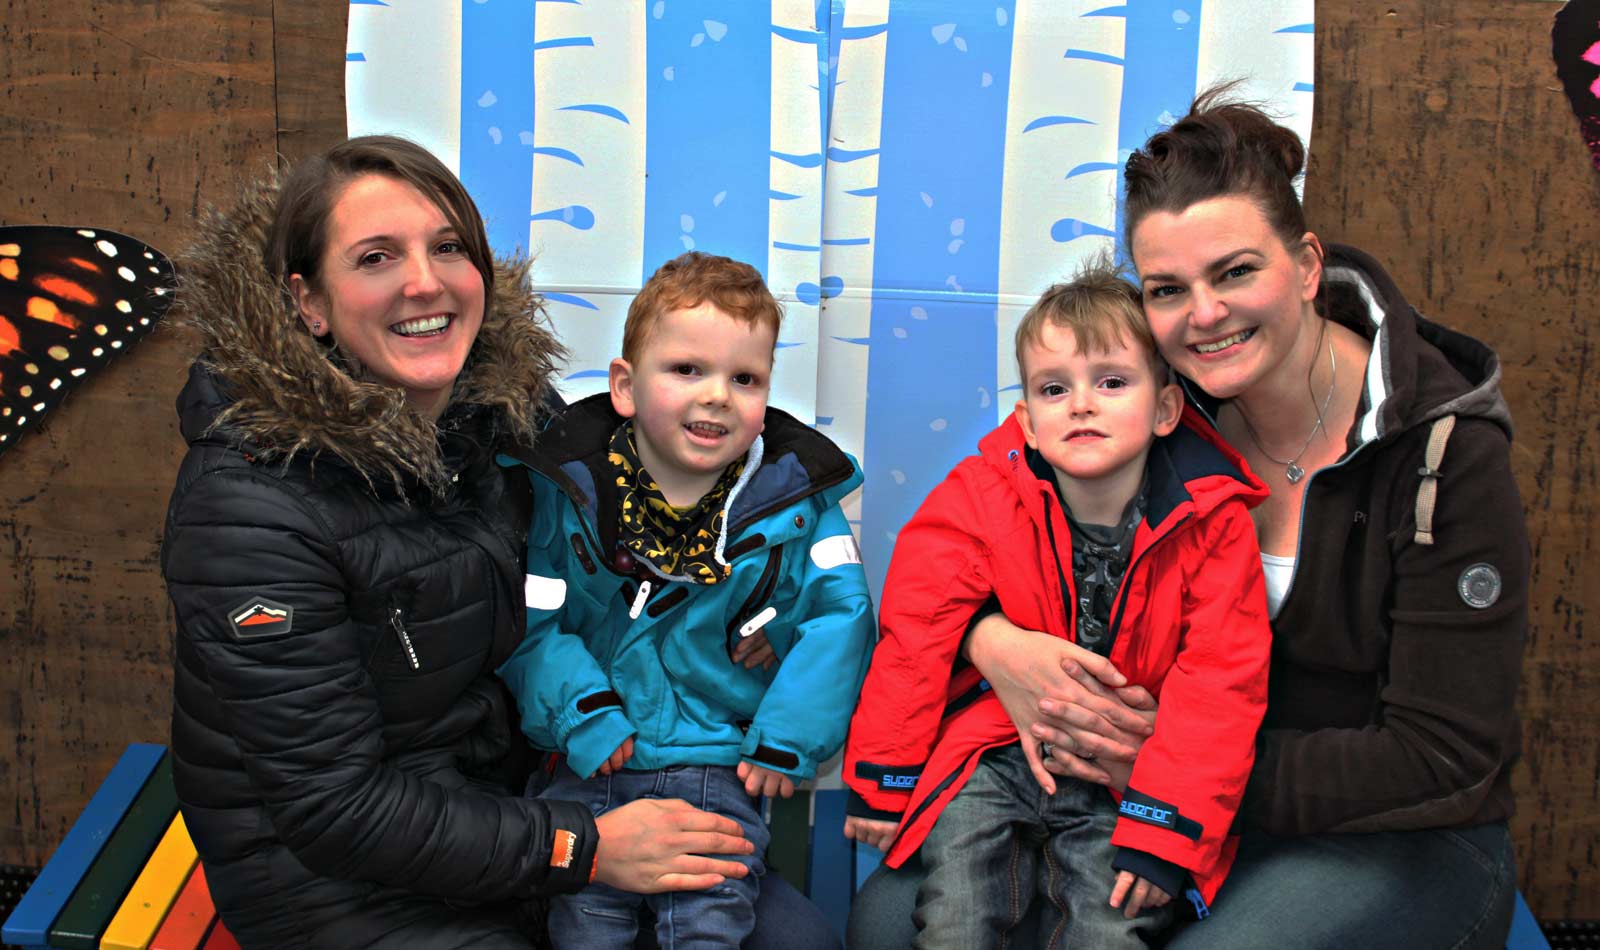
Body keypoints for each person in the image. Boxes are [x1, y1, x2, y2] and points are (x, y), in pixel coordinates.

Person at [846, 88, 1527, 950]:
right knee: (887, 926)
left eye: (1236, 271)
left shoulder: (1444, 455)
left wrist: (1169, 774)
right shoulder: (1143, 405)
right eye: (1169, 288)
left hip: (1386, 829)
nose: (1204, 315)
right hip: (1141, 793)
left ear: (1308, 265)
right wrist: (991, 641)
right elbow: (979, 525)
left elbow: (1442, 757)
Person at [162, 137, 840, 950]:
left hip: (534, 799)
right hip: (343, 881)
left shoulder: (515, 417)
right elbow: (331, 808)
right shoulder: (247, 509)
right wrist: (584, 850)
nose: (425, 281)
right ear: (310, 302)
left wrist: (747, 619)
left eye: (448, 248)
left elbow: (650, 543)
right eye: (377, 257)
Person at [839, 258, 1272, 948]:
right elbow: (918, 626)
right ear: (1028, 421)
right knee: (953, 916)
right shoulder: (983, 492)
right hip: (998, 750)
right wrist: (883, 777)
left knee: (1109, 928)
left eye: (1111, 382)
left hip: (1123, 776)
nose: (1081, 403)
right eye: (1054, 387)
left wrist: (1166, 826)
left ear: (1165, 409)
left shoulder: (1214, 525)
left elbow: (1221, 685)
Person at [496, 250, 877, 949]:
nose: (716, 396)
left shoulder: (797, 505)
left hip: (717, 767)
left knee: (709, 920)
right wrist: (583, 714)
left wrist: (788, 737)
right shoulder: (566, 493)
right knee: (584, 925)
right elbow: (531, 619)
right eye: (686, 370)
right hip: (593, 764)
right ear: (624, 386)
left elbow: (839, 617)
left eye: (745, 378)